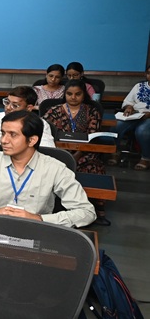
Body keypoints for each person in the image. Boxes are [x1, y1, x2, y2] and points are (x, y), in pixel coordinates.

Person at [0, 111, 96, 228]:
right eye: (3, 133)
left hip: (36, 232)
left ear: (32, 140)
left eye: (13, 135)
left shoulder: (55, 169)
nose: (3, 140)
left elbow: (87, 212)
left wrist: (39, 219)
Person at [43, 79, 108, 225]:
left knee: (93, 167)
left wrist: (76, 155)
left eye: (77, 94)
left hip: (85, 153)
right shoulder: (53, 111)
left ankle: (96, 208)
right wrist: (63, 155)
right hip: (58, 152)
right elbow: (45, 133)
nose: (73, 97)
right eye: (69, 94)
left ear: (84, 94)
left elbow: (93, 135)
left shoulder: (92, 111)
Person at [0, 85, 57, 157]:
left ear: (29, 108)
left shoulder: (40, 124)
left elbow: (48, 152)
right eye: (7, 102)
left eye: (15, 106)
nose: (8, 107)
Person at [112, 64, 150, 170]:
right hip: (136, 114)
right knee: (116, 126)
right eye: (149, 73)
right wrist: (129, 107)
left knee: (142, 131)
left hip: (148, 117)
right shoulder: (139, 86)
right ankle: (114, 152)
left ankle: (146, 158)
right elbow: (128, 101)